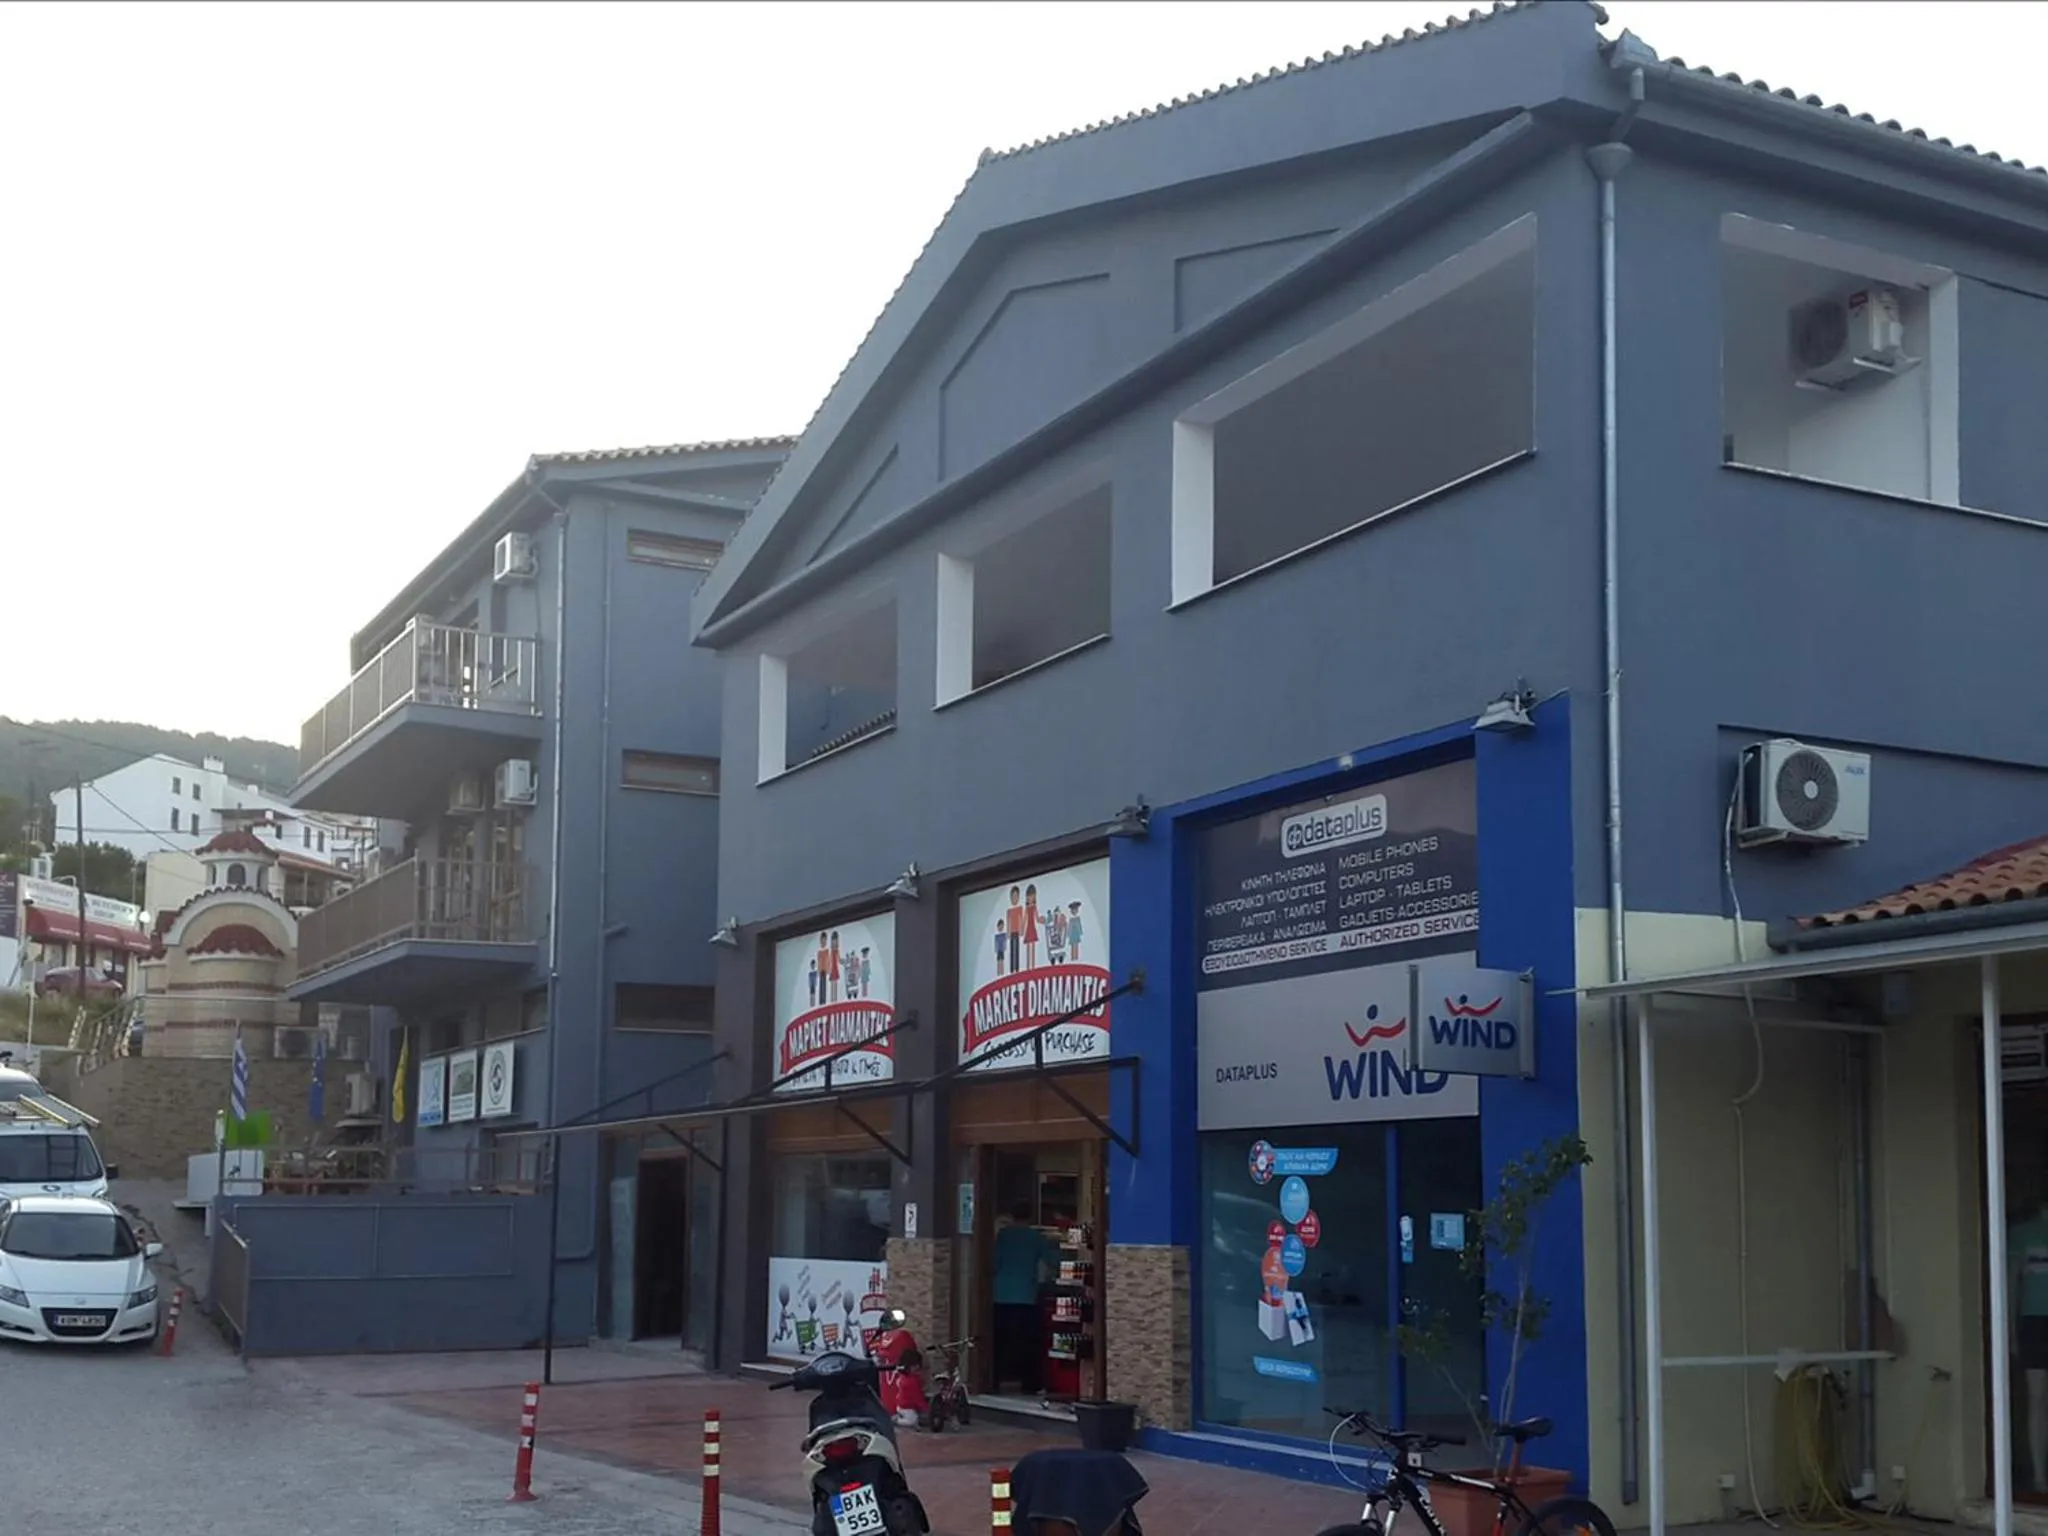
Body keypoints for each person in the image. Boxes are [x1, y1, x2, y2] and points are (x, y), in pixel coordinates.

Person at [991, 1200, 1057, 1394]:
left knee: (1000, 1342)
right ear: (1031, 1216)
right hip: (1027, 1296)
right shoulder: (1036, 1237)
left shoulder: (1003, 1236)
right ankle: (1030, 1384)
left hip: (1001, 1295)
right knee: (1028, 1343)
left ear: (1012, 1215)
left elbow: (994, 1263)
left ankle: (995, 1380)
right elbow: (1053, 1261)